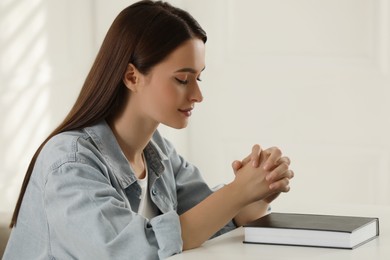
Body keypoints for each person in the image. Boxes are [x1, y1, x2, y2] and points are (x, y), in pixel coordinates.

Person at [4, 1, 294, 259]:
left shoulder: (158, 151)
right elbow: (135, 251)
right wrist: (235, 193)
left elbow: (210, 221)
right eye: (183, 79)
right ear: (132, 76)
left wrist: (258, 187)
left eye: (199, 79)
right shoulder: (69, 162)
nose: (197, 95)